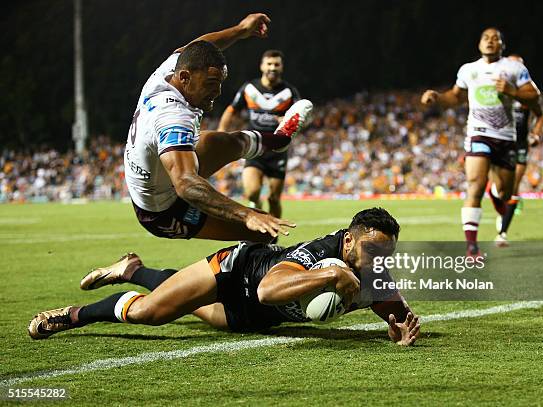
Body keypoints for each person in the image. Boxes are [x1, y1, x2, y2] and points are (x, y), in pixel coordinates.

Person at [28, 208, 420, 346]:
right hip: (237, 273)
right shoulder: (321, 255)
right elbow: (269, 290)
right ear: (348, 242)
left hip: (252, 319)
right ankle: (74, 316)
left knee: (184, 303)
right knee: (152, 312)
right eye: (372, 250)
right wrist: (332, 274)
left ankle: (132, 269)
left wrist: (401, 328)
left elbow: (396, 313)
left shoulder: (375, 273)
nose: (379, 260)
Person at [124, 13, 313, 242]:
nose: (218, 92)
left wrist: (241, 29)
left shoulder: (169, 71)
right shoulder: (173, 117)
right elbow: (185, 184)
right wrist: (246, 214)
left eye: (220, 82)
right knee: (263, 233)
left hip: (159, 173)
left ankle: (279, 140)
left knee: (226, 141)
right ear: (185, 77)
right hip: (163, 209)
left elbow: (201, 46)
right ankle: (133, 270)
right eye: (211, 84)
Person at [421, 27, 540, 254]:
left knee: (505, 193)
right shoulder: (468, 70)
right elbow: (455, 97)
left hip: (506, 138)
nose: (490, 41)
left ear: (502, 45)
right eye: (486, 38)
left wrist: (512, 91)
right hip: (478, 133)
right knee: (475, 184)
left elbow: (534, 96)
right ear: (479, 44)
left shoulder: (514, 68)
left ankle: (496, 193)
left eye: (495, 38)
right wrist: (437, 97)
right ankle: (472, 248)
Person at [218, 50, 300, 223]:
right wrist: (220, 134)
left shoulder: (289, 92)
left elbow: (302, 117)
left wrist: (288, 120)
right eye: (269, 64)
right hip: (255, 146)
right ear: (262, 66)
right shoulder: (250, 88)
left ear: (281, 67)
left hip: (278, 149)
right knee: (252, 192)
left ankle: (273, 234)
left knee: (274, 199)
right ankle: (260, 216)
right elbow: (231, 110)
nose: (272, 67)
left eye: (276, 64)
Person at [496, 55, 543, 244]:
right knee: (500, 188)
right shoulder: (498, 90)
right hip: (501, 143)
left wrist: (536, 134)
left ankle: (502, 233)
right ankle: (500, 204)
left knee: (513, 188)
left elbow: (540, 115)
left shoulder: (527, 96)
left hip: (521, 146)